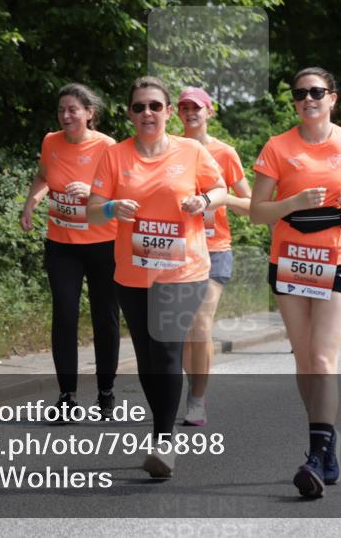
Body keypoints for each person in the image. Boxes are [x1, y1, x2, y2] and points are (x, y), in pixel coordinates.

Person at [250, 67, 341, 499]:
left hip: (340, 257)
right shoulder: (278, 147)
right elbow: (257, 211)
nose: (307, 99)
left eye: (316, 92)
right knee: (305, 358)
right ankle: (326, 441)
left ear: (333, 98)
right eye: (299, 93)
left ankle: (314, 454)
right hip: (292, 259)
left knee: (324, 358)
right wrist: (292, 202)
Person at [87, 76, 227, 479]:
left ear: (168, 112)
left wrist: (202, 201)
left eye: (154, 106)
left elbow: (219, 190)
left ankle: (164, 442)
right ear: (130, 113)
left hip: (183, 271)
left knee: (166, 351)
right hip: (131, 273)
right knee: (148, 359)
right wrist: (112, 208)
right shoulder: (115, 156)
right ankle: (161, 430)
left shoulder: (191, 151)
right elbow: (92, 210)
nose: (146, 113)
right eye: (138, 107)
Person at [20, 83, 120, 418]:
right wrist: (31, 201)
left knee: (104, 318)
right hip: (62, 243)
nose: (66, 115)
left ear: (89, 113)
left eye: (73, 109)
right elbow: (43, 176)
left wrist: (92, 191)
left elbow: (124, 191)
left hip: (104, 242)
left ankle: (106, 392)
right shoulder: (51, 141)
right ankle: (67, 396)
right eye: (61, 110)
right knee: (64, 313)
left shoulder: (108, 147)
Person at [176, 87, 252, 427]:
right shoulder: (169, 149)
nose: (190, 112)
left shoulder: (225, 152)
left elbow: (250, 205)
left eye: (197, 107)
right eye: (184, 107)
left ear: (210, 112)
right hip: (175, 249)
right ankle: (192, 388)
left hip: (215, 247)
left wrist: (212, 199)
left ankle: (197, 399)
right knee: (177, 332)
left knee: (199, 323)